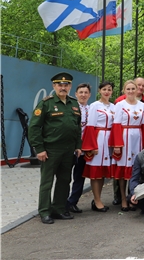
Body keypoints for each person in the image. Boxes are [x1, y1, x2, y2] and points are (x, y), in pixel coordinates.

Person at [28, 72, 82, 224]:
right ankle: (45, 211)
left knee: (64, 181)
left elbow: (77, 127)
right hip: (51, 150)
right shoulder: (46, 103)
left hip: (68, 150)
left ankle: (58, 209)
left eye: (66, 85)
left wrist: (78, 146)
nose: (63, 87)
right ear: (54, 86)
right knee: (47, 182)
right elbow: (34, 127)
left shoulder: (74, 103)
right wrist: (39, 149)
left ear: (70, 86)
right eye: (60, 85)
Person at [110, 80, 144, 212]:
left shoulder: (142, 105)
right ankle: (122, 198)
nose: (131, 91)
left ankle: (134, 197)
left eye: (133, 88)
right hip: (124, 137)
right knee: (123, 171)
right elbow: (116, 126)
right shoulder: (120, 105)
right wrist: (117, 144)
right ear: (124, 90)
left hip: (137, 137)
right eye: (129, 89)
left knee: (136, 169)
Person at [81, 81, 115, 212]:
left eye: (109, 89)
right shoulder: (95, 106)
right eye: (104, 89)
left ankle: (98, 199)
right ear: (100, 91)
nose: (107, 91)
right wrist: (92, 146)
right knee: (96, 172)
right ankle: (97, 200)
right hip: (99, 138)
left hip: (109, 139)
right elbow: (90, 127)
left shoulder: (113, 107)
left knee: (102, 173)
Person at [66, 83, 91, 214]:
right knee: (65, 177)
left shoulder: (91, 109)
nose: (83, 95)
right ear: (76, 94)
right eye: (80, 92)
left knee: (80, 177)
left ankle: (72, 202)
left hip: (84, 148)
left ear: (89, 95)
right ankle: (61, 202)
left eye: (86, 92)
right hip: (70, 148)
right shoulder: (71, 108)